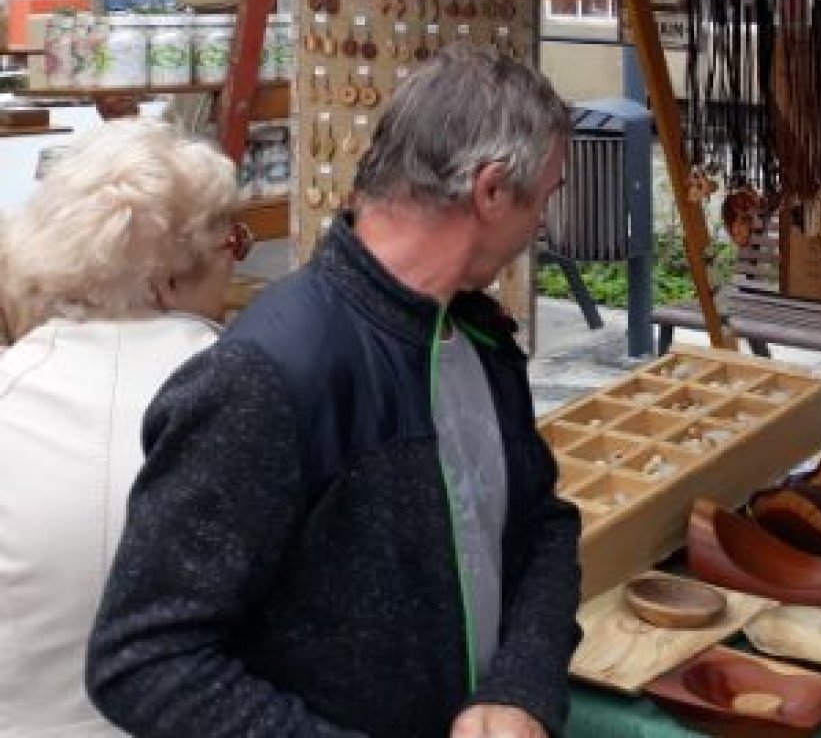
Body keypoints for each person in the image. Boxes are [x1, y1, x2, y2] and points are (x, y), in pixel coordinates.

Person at [88, 48, 581, 738]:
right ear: (492, 191)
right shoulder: (265, 376)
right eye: (547, 197)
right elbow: (144, 660)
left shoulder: (477, 336)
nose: (541, 227)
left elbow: (542, 527)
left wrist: (520, 685)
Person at [0, 119, 243, 737]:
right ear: (169, 277)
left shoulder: (12, 388)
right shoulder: (251, 398)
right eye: (232, 245)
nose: (234, 267)